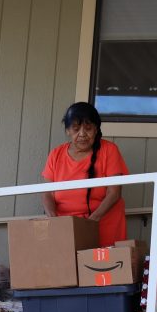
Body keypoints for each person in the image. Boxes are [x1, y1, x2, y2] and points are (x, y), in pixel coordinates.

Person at [41, 102, 128, 247]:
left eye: (88, 128)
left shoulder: (109, 150)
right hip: (67, 229)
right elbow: (47, 193)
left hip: (104, 226)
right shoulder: (56, 154)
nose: (82, 134)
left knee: (103, 268)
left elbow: (114, 193)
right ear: (67, 131)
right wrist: (54, 221)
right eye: (75, 129)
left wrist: (89, 224)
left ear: (96, 129)